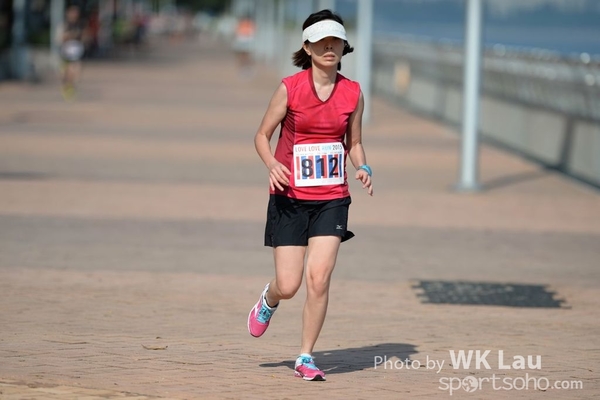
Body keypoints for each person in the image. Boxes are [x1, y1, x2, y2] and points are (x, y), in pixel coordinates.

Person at [247, 9, 374, 381]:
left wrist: (363, 167)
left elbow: (355, 142)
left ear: (344, 46)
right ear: (307, 47)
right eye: (322, 42)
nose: (329, 48)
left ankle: (305, 356)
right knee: (290, 284)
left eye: (335, 41)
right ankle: (269, 299)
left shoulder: (353, 93)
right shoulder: (290, 88)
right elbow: (261, 135)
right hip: (289, 196)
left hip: (331, 197)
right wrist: (272, 163)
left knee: (319, 278)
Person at [58, 5, 86, 100]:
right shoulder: (65, 25)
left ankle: (70, 86)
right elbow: (60, 38)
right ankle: (67, 86)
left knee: (76, 72)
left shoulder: (80, 25)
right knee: (67, 72)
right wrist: (70, 36)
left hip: (77, 51)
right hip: (66, 51)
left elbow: (85, 36)